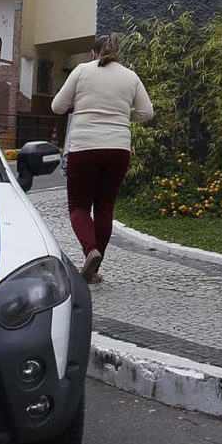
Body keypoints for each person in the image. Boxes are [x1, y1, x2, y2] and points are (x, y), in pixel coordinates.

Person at [49, 33, 154, 283]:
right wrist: (122, 113)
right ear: (119, 54)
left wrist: (80, 104)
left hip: (85, 146)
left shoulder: (82, 71)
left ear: (93, 54)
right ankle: (94, 269)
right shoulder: (130, 76)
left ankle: (89, 251)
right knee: (105, 207)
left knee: (79, 206)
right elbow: (147, 112)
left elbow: (57, 106)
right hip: (118, 148)